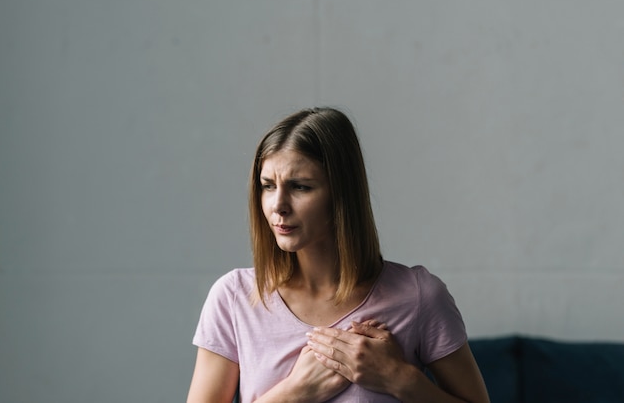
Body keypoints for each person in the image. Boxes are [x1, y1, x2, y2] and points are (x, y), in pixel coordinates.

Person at [186, 107, 490, 403]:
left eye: (300, 187)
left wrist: (402, 380)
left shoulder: (420, 296)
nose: (278, 205)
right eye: (267, 186)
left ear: (341, 194)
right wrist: (294, 394)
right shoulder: (234, 297)